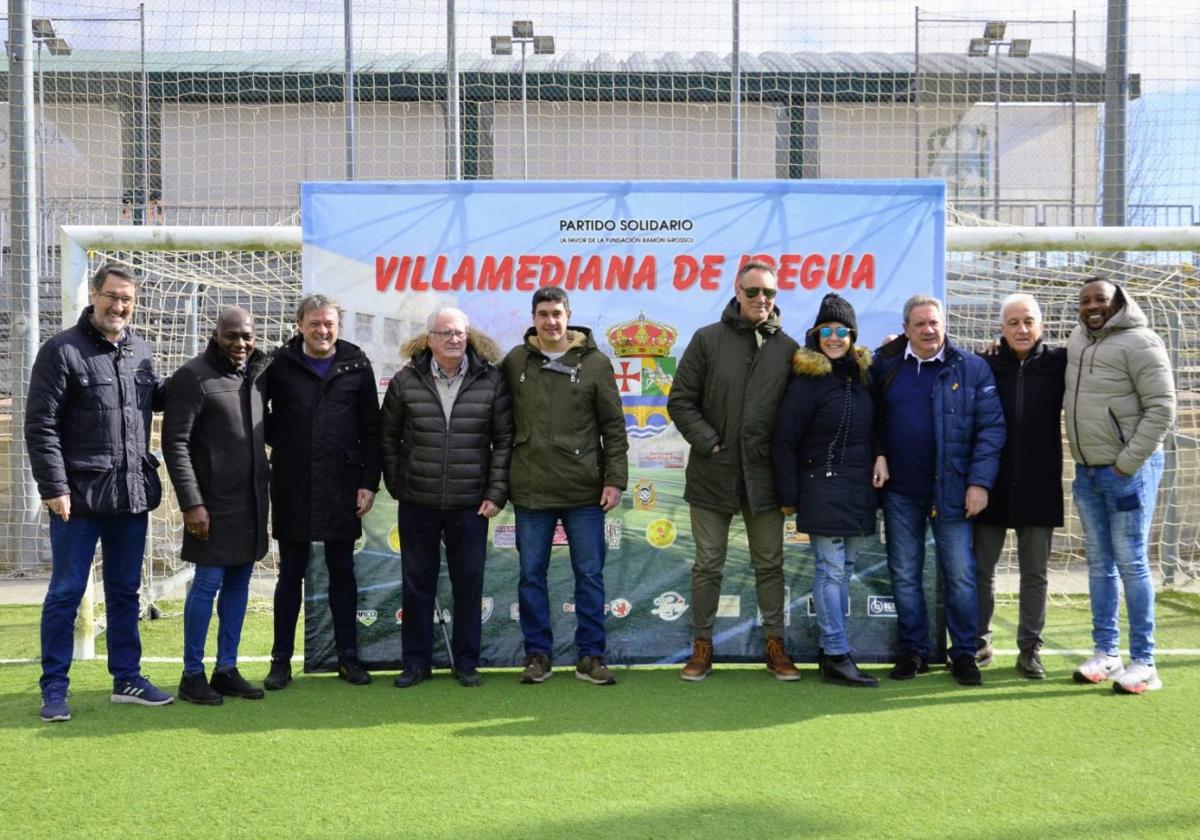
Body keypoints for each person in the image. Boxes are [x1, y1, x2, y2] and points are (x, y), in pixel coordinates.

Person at [26, 261, 174, 722]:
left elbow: (157, 400)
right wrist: (53, 486)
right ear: (94, 295)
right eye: (112, 296)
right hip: (78, 498)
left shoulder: (140, 351)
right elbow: (41, 425)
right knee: (67, 592)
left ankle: (127, 678)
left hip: (130, 494)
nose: (119, 306)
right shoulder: (61, 351)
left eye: (127, 299)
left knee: (127, 591)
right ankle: (54, 688)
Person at [667, 261, 801, 682]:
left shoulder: (790, 348)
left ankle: (775, 645)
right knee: (708, 565)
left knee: (770, 565)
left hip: (764, 478)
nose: (762, 299)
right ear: (737, 291)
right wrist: (710, 441)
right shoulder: (707, 339)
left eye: (770, 293)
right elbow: (680, 401)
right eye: (754, 291)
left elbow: (799, 414)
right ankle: (702, 646)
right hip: (713, 473)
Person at [871, 294, 1005, 686]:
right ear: (907, 329)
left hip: (953, 491)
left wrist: (979, 483)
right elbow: (869, 419)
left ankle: (963, 653)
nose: (929, 330)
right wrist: (879, 452)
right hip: (900, 493)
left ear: (944, 324)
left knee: (960, 575)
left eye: (935, 322)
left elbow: (991, 429)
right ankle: (914, 651)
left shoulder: (973, 368)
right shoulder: (885, 367)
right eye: (920, 324)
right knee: (905, 573)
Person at [500, 287, 628, 686]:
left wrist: (615, 480)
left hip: (584, 491)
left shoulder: (595, 363)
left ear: (569, 315)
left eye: (557, 313)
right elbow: (498, 421)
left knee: (589, 575)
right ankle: (538, 655)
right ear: (533, 318)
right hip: (531, 489)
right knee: (530, 576)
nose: (550, 321)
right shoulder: (515, 361)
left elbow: (614, 428)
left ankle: (591, 656)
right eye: (543, 314)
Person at [381, 307, 514, 688]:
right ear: (431, 340)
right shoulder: (406, 380)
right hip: (417, 502)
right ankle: (416, 664)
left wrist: (495, 492)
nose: (455, 339)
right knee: (417, 584)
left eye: (460, 333)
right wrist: (398, 485)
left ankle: (467, 664)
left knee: (468, 585)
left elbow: (504, 440)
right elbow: (387, 438)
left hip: (471, 504)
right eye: (446, 333)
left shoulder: (491, 380)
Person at [262, 294, 381, 689]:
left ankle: (348, 657)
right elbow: (257, 414)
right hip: (293, 483)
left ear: (338, 325)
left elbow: (371, 429)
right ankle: (280, 661)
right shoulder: (279, 363)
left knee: (342, 573)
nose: (322, 330)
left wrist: (368, 481)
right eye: (314, 323)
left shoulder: (356, 363)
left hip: (341, 485)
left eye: (328, 323)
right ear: (300, 325)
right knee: (290, 574)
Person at [1066, 277, 1176, 694]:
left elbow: (1163, 408)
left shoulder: (1142, 342)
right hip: (1087, 471)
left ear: (1118, 303)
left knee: (1131, 562)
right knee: (1098, 563)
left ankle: (1144, 661)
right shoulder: (1078, 340)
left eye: (1101, 299)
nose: (1093, 305)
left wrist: (1127, 463)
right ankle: (1106, 653)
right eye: (1086, 300)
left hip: (1127, 471)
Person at [163, 307, 272, 705]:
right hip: (211, 505)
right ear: (215, 334)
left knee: (240, 585)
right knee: (206, 585)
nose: (240, 344)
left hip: (252, 504)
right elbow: (174, 444)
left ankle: (226, 668)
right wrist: (192, 503)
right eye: (232, 336)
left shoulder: (257, 376)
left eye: (246, 336)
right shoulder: (192, 377)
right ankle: (192, 674)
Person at [772, 294, 879, 687]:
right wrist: (789, 497)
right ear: (816, 335)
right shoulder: (807, 381)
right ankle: (836, 652)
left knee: (844, 571)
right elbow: (783, 440)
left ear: (852, 335)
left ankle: (831, 652)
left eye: (841, 331)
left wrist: (881, 456)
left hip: (858, 492)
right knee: (831, 571)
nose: (834, 338)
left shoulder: (864, 376)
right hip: (821, 489)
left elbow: (878, 426)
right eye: (826, 331)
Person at [974, 293, 1066, 680]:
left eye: (1028, 321)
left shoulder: (1061, 362)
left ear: (1041, 324)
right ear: (1001, 328)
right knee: (980, 570)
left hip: (1040, 483)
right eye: (1012, 323)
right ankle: (978, 641)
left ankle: (1030, 648)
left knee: (1035, 573)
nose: (1021, 329)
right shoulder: (986, 363)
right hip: (990, 483)